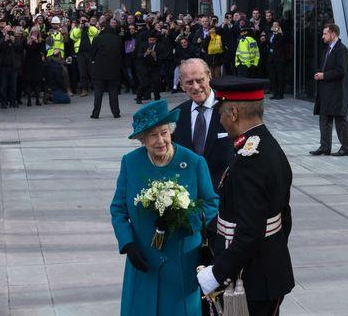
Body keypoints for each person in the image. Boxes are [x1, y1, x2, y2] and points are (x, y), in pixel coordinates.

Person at [111, 99, 218, 316]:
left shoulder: (194, 162)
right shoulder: (130, 162)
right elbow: (118, 209)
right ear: (143, 139)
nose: (160, 140)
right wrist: (128, 244)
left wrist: (186, 218)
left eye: (164, 133)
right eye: (153, 135)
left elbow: (211, 203)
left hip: (182, 261)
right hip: (143, 259)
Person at [197, 76, 294, 316]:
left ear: (233, 113)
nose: (219, 119)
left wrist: (216, 273)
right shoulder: (266, 145)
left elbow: (249, 233)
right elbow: (284, 217)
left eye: (220, 111)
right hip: (267, 270)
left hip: (252, 279)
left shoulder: (250, 160)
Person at [172, 59, 233, 190]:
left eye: (199, 80)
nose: (195, 87)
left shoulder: (231, 110)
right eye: (189, 82)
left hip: (223, 193)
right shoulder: (176, 115)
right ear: (182, 85)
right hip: (187, 195)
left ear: (209, 77)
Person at [310, 24, 348, 156]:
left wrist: (324, 75)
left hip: (336, 92)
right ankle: (324, 147)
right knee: (324, 119)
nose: (322, 36)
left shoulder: (341, 50)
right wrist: (320, 73)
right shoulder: (328, 49)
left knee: (340, 121)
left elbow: (341, 71)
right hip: (325, 92)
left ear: (333, 34)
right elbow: (326, 68)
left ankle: (346, 148)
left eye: (325, 34)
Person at [90, 19, 122, 119]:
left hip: (99, 69)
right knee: (113, 92)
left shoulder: (97, 39)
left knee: (98, 92)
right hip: (114, 69)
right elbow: (121, 54)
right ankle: (116, 113)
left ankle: (96, 113)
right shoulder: (118, 39)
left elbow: (92, 54)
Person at [70, 16, 99, 97]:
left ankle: (97, 89)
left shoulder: (91, 28)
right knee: (83, 72)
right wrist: (80, 28)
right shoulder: (77, 28)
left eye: (85, 20)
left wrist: (89, 26)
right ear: (79, 21)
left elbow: (97, 33)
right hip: (80, 54)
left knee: (92, 72)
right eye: (82, 20)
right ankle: (84, 90)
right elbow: (73, 37)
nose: (83, 21)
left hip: (90, 53)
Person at [135, 31, 162, 104]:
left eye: (153, 40)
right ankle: (139, 97)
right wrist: (145, 54)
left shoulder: (159, 46)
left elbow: (162, 58)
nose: (151, 42)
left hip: (155, 67)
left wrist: (155, 56)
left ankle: (157, 97)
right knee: (145, 83)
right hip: (145, 67)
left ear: (155, 40)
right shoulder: (143, 45)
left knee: (156, 81)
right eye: (150, 40)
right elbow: (139, 55)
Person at [22, 26, 44, 106]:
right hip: (28, 63)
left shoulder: (40, 40)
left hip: (37, 63)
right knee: (28, 82)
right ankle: (29, 100)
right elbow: (23, 47)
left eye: (36, 32)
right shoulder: (26, 40)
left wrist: (37, 42)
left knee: (37, 81)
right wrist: (29, 42)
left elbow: (42, 50)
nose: (35, 33)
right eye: (33, 32)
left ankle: (38, 100)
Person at [267, 21, 288, 100]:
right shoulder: (270, 34)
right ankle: (275, 93)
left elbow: (281, 42)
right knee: (273, 77)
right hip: (271, 58)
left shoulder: (281, 35)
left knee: (280, 76)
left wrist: (279, 33)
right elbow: (269, 43)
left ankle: (280, 94)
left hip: (279, 58)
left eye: (276, 25)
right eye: (273, 25)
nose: (274, 26)